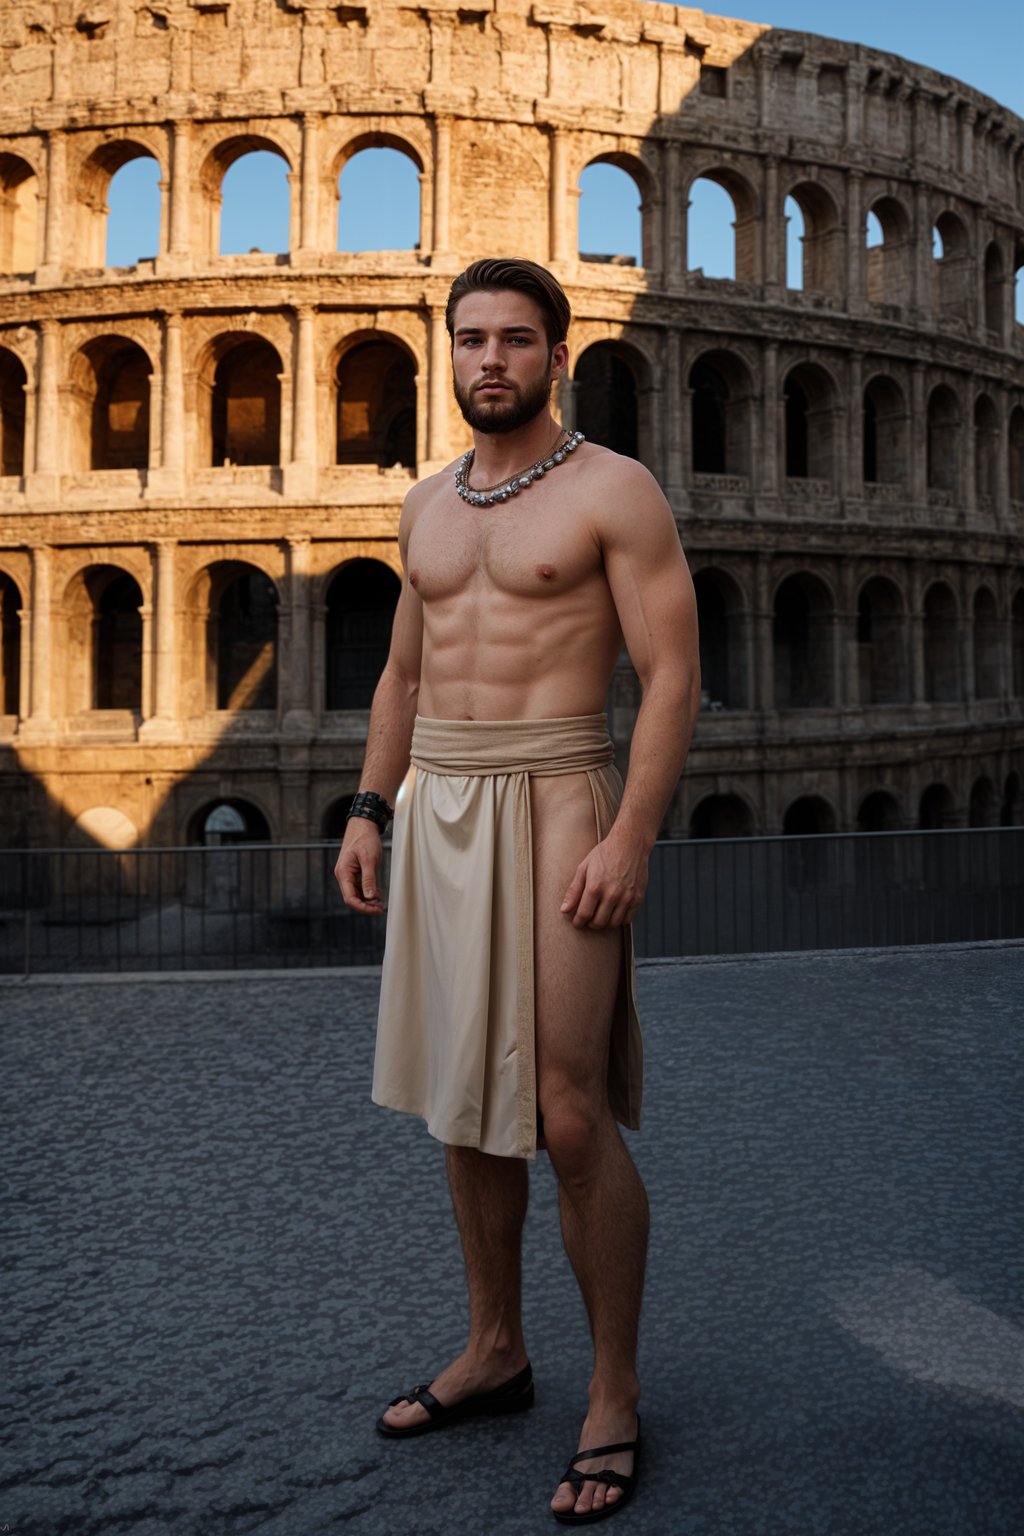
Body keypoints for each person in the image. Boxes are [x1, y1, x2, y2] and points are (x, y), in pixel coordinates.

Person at [335, 256, 700, 1524]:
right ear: (450, 352)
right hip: (439, 799)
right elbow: (402, 675)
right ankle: (495, 1348)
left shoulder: (616, 490)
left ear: (558, 354)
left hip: (557, 796)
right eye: (470, 338)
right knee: (460, 1102)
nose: (490, 359)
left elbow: (669, 677)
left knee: (569, 1110)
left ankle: (611, 1390)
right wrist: (369, 807)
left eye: (516, 340)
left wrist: (631, 836)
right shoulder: (424, 505)